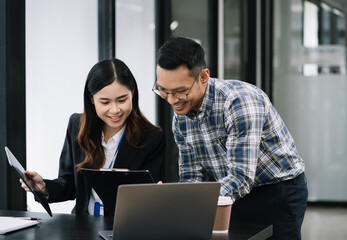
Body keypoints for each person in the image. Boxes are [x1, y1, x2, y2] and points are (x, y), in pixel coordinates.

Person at [153, 36, 308, 240]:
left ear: (203, 77)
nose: (172, 100)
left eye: (180, 91)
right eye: (164, 91)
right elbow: (192, 176)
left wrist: (194, 200)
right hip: (228, 194)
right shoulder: (181, 118)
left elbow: (241, 176)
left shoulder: (239, 102)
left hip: (277, 190)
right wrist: (177, 198)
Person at [21, 58, 165, 215]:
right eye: (105, 102)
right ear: (91, 99)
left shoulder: (152, 138)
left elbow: (149, 198)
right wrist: (43, 188)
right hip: (83, 226)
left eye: (122, 100)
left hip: (125, 226)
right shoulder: (77, 125)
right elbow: (69, 184)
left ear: (133, 94)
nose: (115, 110)